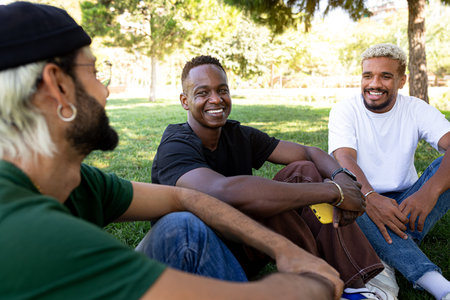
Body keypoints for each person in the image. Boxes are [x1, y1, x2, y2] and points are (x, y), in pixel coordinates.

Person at [0, 2, 347, 299]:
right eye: (94, 72)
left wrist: (283, 249)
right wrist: (312, 283)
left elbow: (184, 199)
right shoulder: (22, 229)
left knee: (181, 225)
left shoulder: (75, 182)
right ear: (57, 86)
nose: (105, 91)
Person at [152, 55, 386, 299]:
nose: (215, 99)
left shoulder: (238, 135)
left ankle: (352, 285)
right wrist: (334, 192)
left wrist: (342, 177)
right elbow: (224, 191)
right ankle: (319, 275)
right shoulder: (176, 145)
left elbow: (308, 152)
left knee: (303, 171)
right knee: (267, 199)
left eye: (222, 90)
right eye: (202, 93)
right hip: (205, 257)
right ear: (185, 101)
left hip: (247, 245)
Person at [328, 43, 450, 300]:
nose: (374, 83)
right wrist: (371, 199)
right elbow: (344, 158)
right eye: (368, 75)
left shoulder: (415, 108)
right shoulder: (345, 109)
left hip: (410, 205)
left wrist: (429, 192)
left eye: (385, 76)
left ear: (402, 80)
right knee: (344, 196)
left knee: (444, 169)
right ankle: (439, 285)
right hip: (362, 198)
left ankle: (378, 253)